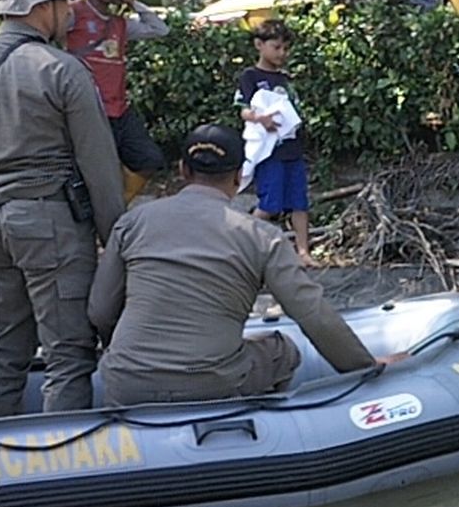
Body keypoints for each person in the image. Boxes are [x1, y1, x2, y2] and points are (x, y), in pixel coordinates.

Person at [88, 124, 402, 407]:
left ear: (183, 169)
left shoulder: (132, 223)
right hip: (209, 382)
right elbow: (313, 314)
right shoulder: (262, 236)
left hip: (124, 381)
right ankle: (264, 434)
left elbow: (100, 310)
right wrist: (367, 368)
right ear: (239, 177)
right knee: (283, 351)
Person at [0, 0, 125, 417]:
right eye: (62, 1)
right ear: (42, 6)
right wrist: (119, 243)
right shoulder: (62, 69)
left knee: (4, 353)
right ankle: (61, 474)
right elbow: (100, 167)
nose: (69, 9)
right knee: (68, 354)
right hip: (49, 222)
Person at [67, 0, 170, 199]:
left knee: (150, 159)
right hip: (90, 110)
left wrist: (133, 3)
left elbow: (160, 29)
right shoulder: (72, 14)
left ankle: (118, 205)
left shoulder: (120, 23)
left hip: (120, 109)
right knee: (97, 173)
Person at [236, 19, 316, 267]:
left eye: (285, 48)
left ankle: (303, 252)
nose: (282, 53)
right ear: (259, 45)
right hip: (269, 151)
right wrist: (260, 119)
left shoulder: (285, 79)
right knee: (270, 203)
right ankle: (241, 240)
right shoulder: (250, 76)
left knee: (299, 202)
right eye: (276, 47)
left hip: (292, 148)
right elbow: (242, 110)